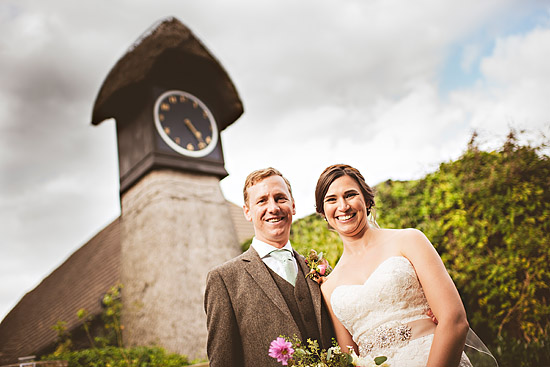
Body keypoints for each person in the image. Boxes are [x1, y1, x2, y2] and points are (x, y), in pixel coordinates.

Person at [315, 164, 473, 367]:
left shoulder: (410, 240)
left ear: (367, 199)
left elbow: (455, 320)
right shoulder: (329, 288)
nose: (343, 206)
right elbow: (350, 360)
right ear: (322, 211)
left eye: (350, 195)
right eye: (331, 199)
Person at [204, 167, 334, 367]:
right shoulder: (224, 279)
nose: (273, 208)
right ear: (247, 212)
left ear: (293, 206)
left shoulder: (319, 269)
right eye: (262, 200)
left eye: (280, 198)